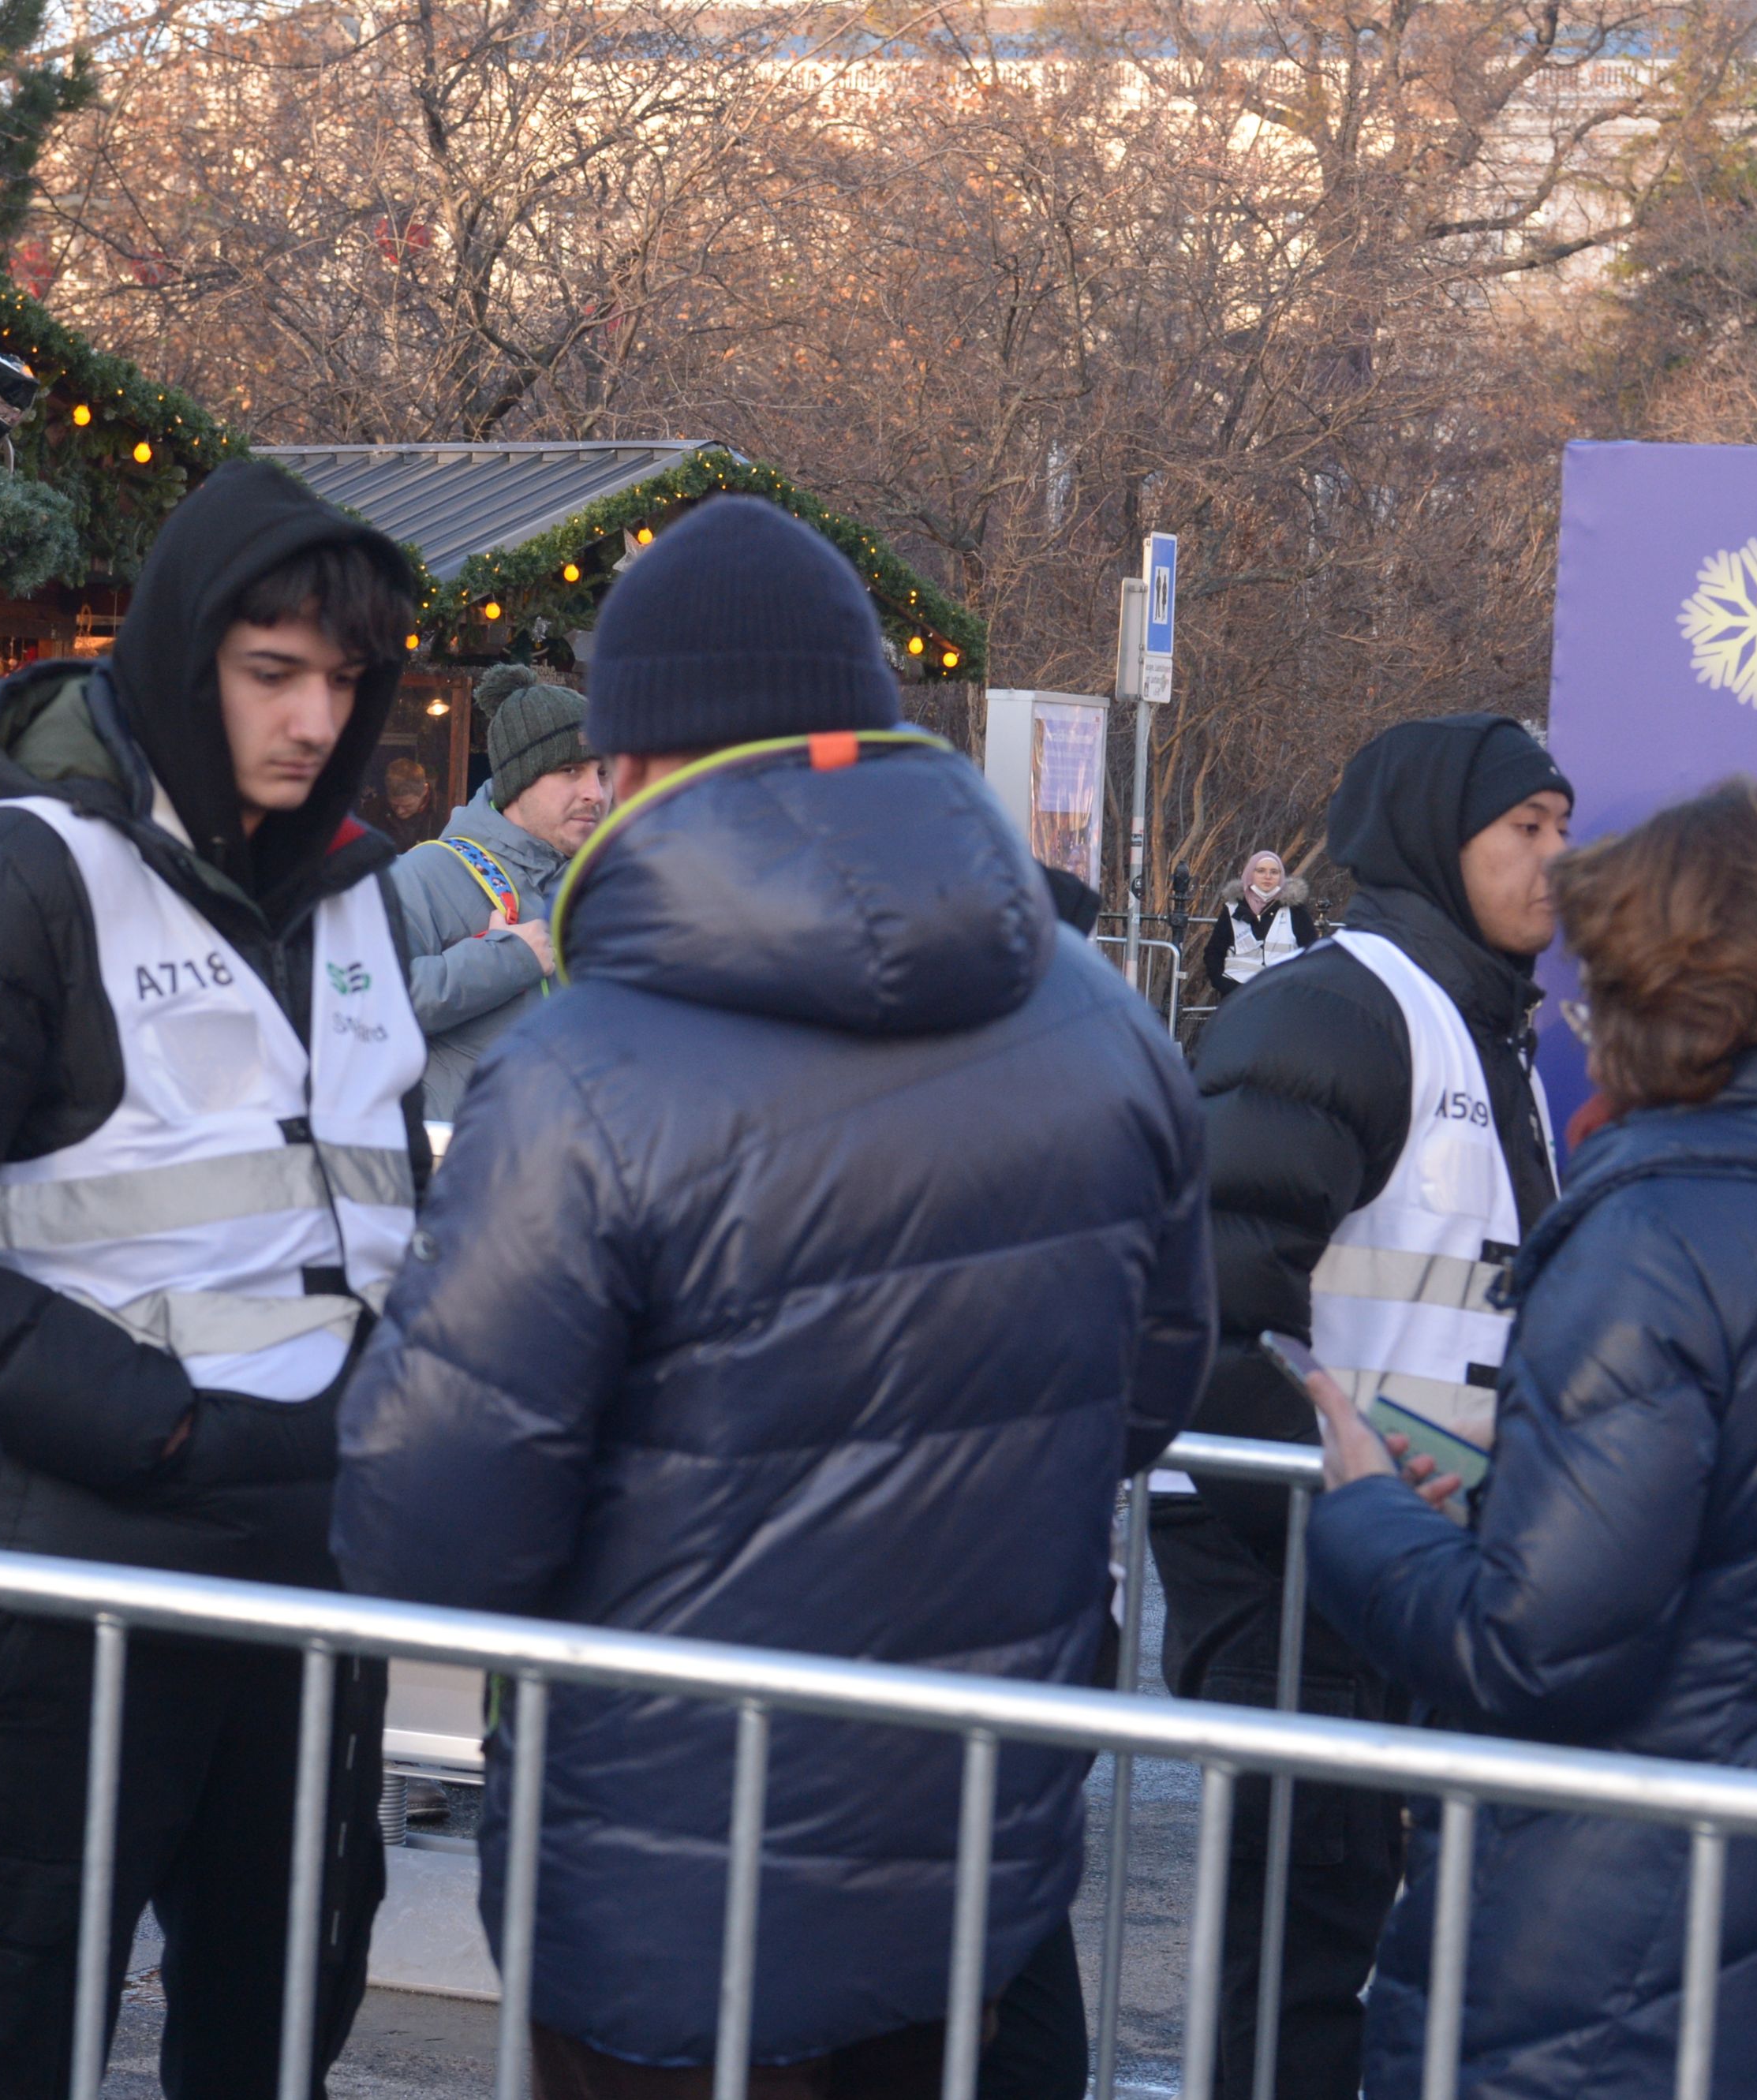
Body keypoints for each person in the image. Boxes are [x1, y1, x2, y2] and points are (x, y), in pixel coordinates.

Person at [333, 496, 1215, 2097]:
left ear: (634, 762)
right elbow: (1148, 1383)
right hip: (973, 1854)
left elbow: (432, 1518)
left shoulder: (581, 1067)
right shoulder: (1102, 1023)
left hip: (667, 1882)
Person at [0, 458, 427, 2099]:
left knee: (273, 2029)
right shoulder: (17, 875)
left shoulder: (360, 896)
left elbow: (373, 1211)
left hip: (308, 1589)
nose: (311, 718)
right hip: (72, 1589)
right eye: (270, 672)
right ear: (180, 658)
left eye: (343, 680)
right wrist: (158, 1429)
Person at [1299, 778, 1757, 2099]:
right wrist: (1528, 1492)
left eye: (1607, 975)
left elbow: (1533, 1649)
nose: (1584, 1008)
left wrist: (1365, 1510)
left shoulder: (1657, 1235)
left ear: (1682, 986)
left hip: (1591, 1970)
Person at [1155, 711, 1570, 2099]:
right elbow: (1210, 1310)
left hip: (1394, 1570)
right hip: (1298, 1574)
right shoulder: (1341, 1010)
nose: (1556, 857)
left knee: (1359, 1972)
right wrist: (1347, 1525)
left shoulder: (1483, 1029)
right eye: (1528, 828)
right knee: (1298, 1982)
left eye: (1565, 827)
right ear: (1437, 841)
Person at [386, 662, 604, 1117]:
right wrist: (505, 961)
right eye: (570, 769)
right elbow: (368, 1010)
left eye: (601, 773)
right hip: (462, 1168)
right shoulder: (427, 873)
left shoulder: (603, 888)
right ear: (518, 780)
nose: (595, 793)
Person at [1198, 849, 1312, 1000]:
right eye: (1261, 871)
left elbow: (1311, 954)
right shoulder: (1232, 909)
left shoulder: (1295, 911)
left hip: (1282, 995)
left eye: (1274, 872)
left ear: (1281, 876)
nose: (1268, 877)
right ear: (1251, 873)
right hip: (1237, 994)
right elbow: (1214, 952)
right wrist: (1224, 984)